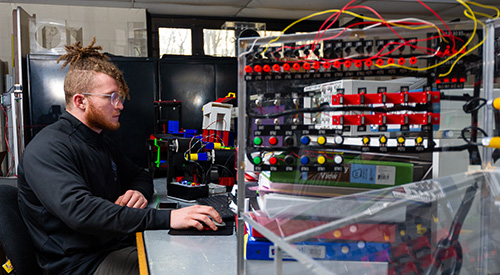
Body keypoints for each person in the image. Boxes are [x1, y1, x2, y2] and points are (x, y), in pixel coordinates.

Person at [17, 38, 222, 275]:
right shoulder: (48, 149)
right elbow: (81, 212)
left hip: (113, 245)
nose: (120, 106)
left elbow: (140, 176)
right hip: (82, 265)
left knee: (196, 252)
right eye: (111, 97)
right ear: (80, 101)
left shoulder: (100, 142)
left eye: (120, 97)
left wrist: (138, 192)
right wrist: (168, 218)